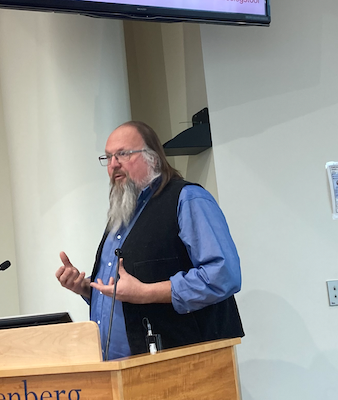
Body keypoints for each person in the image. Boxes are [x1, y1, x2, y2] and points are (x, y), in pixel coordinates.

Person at [55, 121, 244, 359]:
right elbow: (124, 289)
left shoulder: (186, 199)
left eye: (123, 154)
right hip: (118, 369)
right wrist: (86, 288)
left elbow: (223, 274)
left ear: (152, 157)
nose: (113, 164)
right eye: (108, 157)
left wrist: (145, 292)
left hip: (183, 364)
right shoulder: (122, 215)